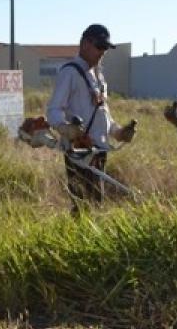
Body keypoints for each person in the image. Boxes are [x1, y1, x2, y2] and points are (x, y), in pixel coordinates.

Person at [46, 24, 134, 214]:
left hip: (99, 150)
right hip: (80, 150)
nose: (102, 52)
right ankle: (77, 241)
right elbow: (53, 110)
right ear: (85, 44)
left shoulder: (99, 76)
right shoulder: (70, 72)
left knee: (96, 203)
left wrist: (118, 132)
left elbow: (103, 114)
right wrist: (64, 128)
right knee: (83, 205)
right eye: (99, 47)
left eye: (105, 48)